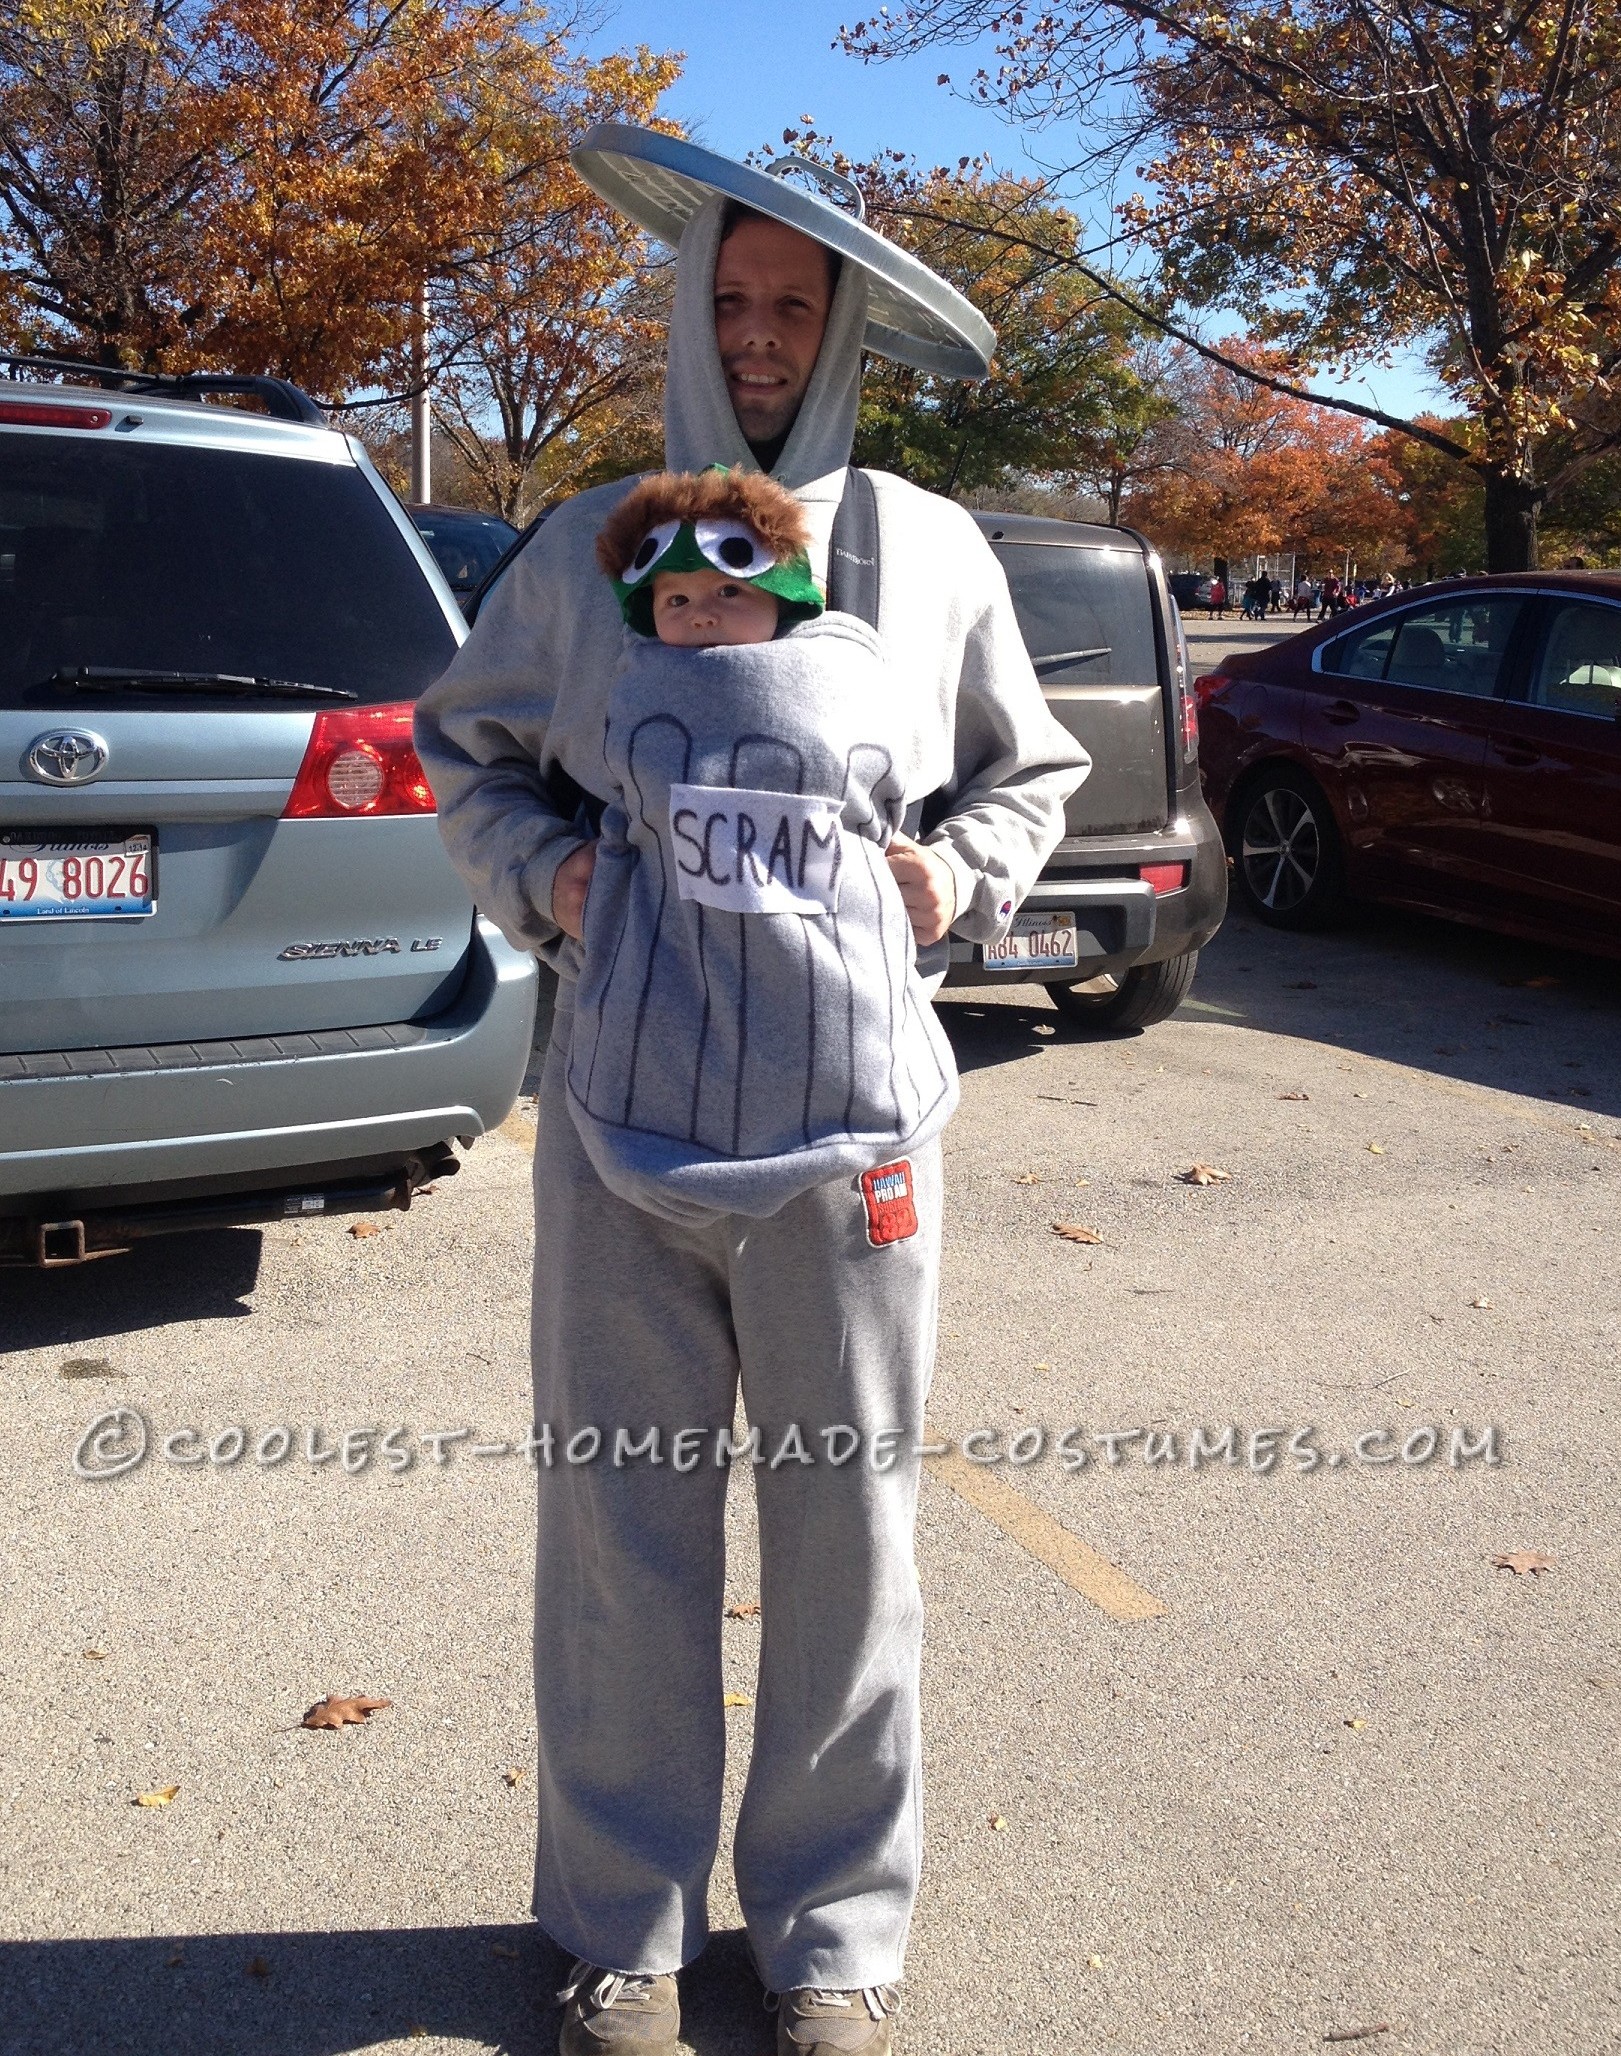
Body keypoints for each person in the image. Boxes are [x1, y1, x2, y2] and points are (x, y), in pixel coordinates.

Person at [412, 133, 1089, 2056]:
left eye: (795, 302)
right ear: (688, 308)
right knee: (619, 1528)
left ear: (844, 321)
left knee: (845, 1530)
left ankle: (830, 1939)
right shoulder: (596, 542)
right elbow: (466, 741)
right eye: (730, 296)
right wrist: (545, 876)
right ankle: (620, 1926)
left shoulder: (936, 551)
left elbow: (1024, 772)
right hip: (623, 1137)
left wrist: (952, 880)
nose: (762, 332)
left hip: (855, 1148)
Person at [572, 463, 958, 1222]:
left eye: (729, 592)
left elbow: (890, 787)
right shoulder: (639, 680)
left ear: (783, 597)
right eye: (675, 599)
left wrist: (954, 869)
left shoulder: (844, 670)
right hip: (664, 1016)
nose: (702, 615)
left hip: (836, 1030)